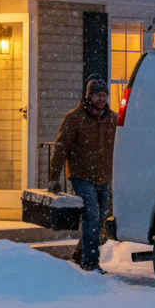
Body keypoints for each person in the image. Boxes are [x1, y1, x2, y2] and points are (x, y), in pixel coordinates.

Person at [49, 77, 117, 272]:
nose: (102, 99)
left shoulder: (112, 119)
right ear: (89, 97)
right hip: (82, 176)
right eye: (98, 95)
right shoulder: (75, 118)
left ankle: (80, 256)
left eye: (105, 95)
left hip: (104, 176)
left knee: (103, 218)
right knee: (92, 216)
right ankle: (90, 263)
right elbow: (61, 148)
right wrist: (54, 177)